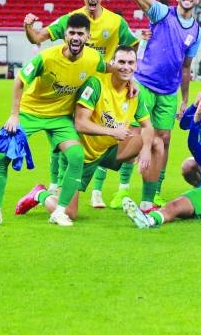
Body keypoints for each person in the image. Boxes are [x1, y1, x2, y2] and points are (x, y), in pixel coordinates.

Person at [0, 14, 107, 228]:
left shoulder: (93, 58)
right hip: (30, 113)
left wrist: (130, 82)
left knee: (76, 155)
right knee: (2, 157)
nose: (75, 37)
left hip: (60, 118)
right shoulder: (46, 57)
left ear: (88, 36)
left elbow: (110, 68)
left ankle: (60, 212)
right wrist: (14, 114)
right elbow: (19, 81)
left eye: (80, 33)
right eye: (72, 33)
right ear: (65, 35)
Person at [13, 45, 161, 223]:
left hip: (108, 149)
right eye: (121, 62)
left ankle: (146, 204)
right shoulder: (96, 84)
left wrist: (145, 148)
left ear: (136, 65)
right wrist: (113, 131)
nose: (126, 67)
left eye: (131, 62)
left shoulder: (134, 92)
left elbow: (148, 126)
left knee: (156, 143)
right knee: (69, 213)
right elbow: (80, 124)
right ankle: (40, 194)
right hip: (81, 155)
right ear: (112, 63)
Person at [24, 0, 140, 200]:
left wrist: (130, 77)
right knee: (62, 138)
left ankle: (97, 190)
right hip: (74, 87)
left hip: (104, 88)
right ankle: (55, 184)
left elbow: (131, 48)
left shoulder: (115, 22)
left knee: (109, 136)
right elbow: (37, 37)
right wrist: (29, 27)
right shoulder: (71, 20)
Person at [129, 0, 201, 209]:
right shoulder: (162, 12)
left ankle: (155, 191)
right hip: (144, 84)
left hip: (169, 92)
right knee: (137, 136)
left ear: (198, 0)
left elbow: (186, 68)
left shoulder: (196, 31)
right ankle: (124, 188)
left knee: (165, 139)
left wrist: (184, 99)